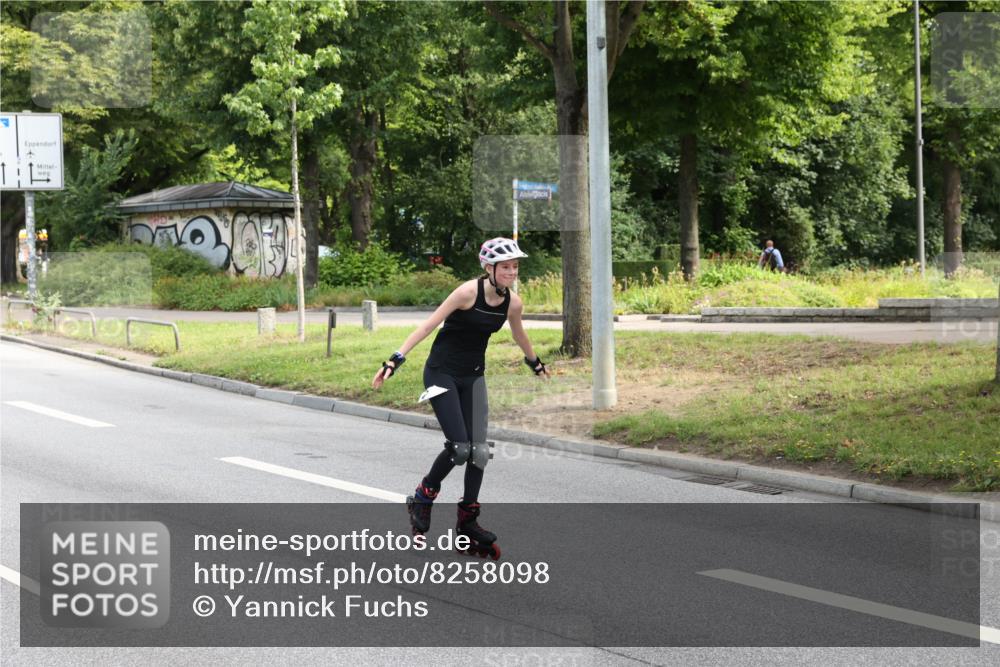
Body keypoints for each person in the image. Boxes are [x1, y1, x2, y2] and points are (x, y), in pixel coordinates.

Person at [371, 237, 549, 559]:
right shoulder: (468, 292)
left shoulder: (513, 303)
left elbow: (519, 333)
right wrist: (393, 361)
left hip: (473, 376)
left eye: (515, 267)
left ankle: (468, 521)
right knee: (460, 447)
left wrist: (535, 363)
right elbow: (429, 325)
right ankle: (423, 497)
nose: (512, 272)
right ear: (488, 268)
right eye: (506, 267)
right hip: (441, 374)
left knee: (480, 452)